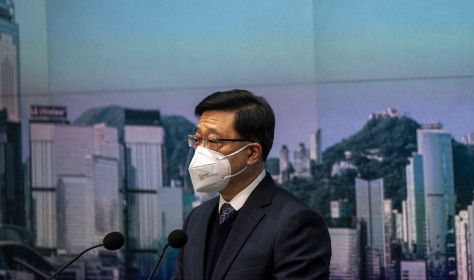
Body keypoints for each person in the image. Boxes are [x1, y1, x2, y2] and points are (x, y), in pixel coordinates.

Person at [173, 89, 331, 280]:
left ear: (252, 153)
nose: (200, 151)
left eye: (213, 141)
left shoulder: (296, 223)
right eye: (197, 140)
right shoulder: (196, 219)